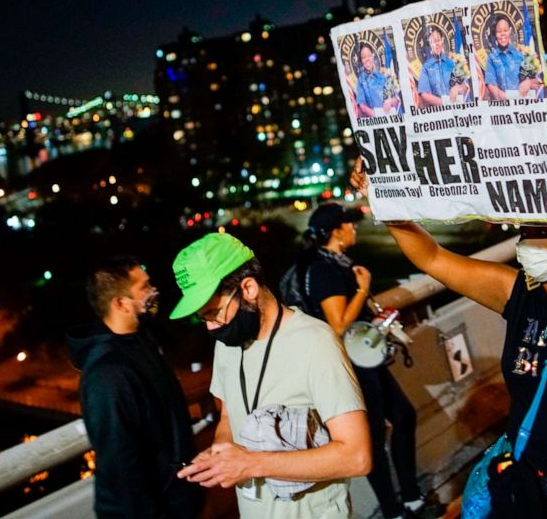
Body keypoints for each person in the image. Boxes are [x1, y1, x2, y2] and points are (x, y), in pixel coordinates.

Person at [351, 146, 547, 518]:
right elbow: (430, 258)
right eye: (526, 229)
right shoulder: (517, 293)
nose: (529, 239)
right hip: (535, 480)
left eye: (543, 229)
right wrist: (384, 201)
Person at [170, 232, 372, 517]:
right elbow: (229, 416)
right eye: (203, 317)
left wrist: (252, 464)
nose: (212, 328)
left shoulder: (315, 342)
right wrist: (222, 451)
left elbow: (357, 456)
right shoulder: (227, 346)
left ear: (248, 288)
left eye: (214, 312)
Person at [293, 203, 434, 519]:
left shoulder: (340, 263)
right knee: (372, 439)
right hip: (351, 367)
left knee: (404, 416)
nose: (354, 228)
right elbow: (339, 324)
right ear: (336, 232)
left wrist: (372, 311)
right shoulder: (322, 270)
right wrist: (363, 289)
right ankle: (394, 510)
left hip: (366, 358)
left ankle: (410, 497)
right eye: (349, 224)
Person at [66, 256, 203, 518]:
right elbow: (122, 463)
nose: (154, 293)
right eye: (144, 287)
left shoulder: (141, 342)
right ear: (120, 304)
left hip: (176, 501)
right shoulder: (108, 374)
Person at [483, 17, 541, 101]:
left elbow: (538, 81)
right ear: (495, 34)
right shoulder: (491, 59)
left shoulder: (521, 55)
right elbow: (492, 87)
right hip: (504, 109)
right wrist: (508, 98)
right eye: (499, 31)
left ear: (510, 31)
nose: (503, 34)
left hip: (524, 107)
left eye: (505, 30)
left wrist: (529, 82)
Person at [417, 29, 462, 107]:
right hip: (439, 110)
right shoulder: (426, 67)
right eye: (433, 42)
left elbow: (465, 86)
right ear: (430, 45)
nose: (436, 44)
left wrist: (457, 88)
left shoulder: (452, 62)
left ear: (442, 41)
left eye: (438, 40)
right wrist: (445, 103)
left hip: (457, 106)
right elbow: (424, 94)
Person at [356, 42, 402, 117]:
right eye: (363, 57)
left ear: (373, 56)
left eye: (369, 56)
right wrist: (378, 115)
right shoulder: (361, 81)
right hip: (376, 122)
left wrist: (390, 102)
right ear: (361, 61)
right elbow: (362, 106)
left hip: (392, 118)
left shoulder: (384, 76)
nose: (367, 59)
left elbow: (396, 100)